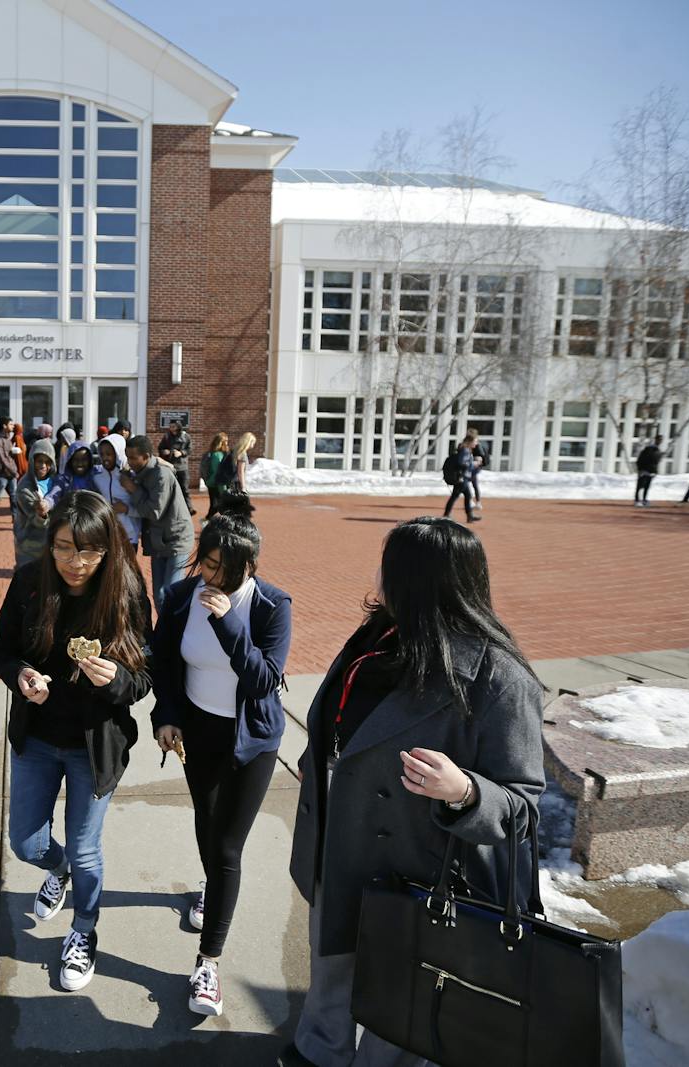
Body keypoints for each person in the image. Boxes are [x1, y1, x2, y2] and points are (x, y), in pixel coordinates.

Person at [280, 516, 544, 1067]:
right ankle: (317, 1052)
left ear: (422, 581)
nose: (377, 573)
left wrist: (465, 791)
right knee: (330, 969)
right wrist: (316, 757)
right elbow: (339, 714)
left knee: (400, 1012)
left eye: (388, 564)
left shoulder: (498, 678)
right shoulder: (380, 634)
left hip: (419, 881)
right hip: (340, 844)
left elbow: (522, 806)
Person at [0, 491, 153, 993]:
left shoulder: (125, 589)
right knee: (25, 842)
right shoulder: (28, 584)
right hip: (38, 737)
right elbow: (2, 654)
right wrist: (21, 677)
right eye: (63, 548)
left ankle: (84, 931)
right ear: (50, 541)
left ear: (107, 549)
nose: (74, 563)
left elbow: (144, 677)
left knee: (86, 851)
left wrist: (116, 682)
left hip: (94, 745)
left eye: (88, 551)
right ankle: (54, 869)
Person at [150, 496, 292, 1017]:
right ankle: (211, 892)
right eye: (205, 564)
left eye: (222, 570)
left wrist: (229, 621)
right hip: (198, 733)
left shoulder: (273, 606)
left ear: (247, 567)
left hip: (251, 740)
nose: (210, 576)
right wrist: (166, 713)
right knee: (209, 827)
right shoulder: (181, 594)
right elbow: (163, 659)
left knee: (228, 846)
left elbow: (262, 680)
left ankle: (208, 962)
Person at [121, 435, 195, 613]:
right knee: (159, 596)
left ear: (146, 456)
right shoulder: (141, 473)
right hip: (158, 541)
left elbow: (154, 511)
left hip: (177, 539)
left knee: (171, 594)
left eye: (133, 457)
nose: (129, 462)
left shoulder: (161, 475)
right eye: (127, 457)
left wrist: (133, 489)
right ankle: (164, 634)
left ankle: (175, 636)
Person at [12, 438, 57, 566]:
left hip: (50, 544)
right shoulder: (25, 487)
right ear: (32, 461)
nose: (43, 466)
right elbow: (35, 519)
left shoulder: (56, 482)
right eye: (39, 461)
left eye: (47, 462)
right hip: (29, 545)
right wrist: (42, 514)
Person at [92, 433, 140, 551]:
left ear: (119, 453)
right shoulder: (96, 477)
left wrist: (126, 509)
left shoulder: (131, 478)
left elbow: (145, 507)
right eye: (102, 454)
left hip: (129, 536)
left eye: (109, 454)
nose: (105, 458)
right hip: (106, 536)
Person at [158, 419, 196, 516]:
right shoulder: (166, 437)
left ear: (178, 426)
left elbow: (190, 449)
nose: (171, 429)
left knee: (184, 489)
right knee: (170, 488)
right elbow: (160, 448)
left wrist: (181, 453)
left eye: (173, 426)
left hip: (182, 467)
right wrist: (164, 451)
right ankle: (170, 509)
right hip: (170, 466)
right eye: (170, 426)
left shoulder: (185, 436)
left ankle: (189, 508)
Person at [443, 433, 480, 523]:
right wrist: (473, 464)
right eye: (475, 441)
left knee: (467, 495)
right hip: (461, 478)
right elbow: (461, 463)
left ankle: (469, 516)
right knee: (455, 496)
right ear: (469, 442)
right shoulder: (465, 450)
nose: (476, 444)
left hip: (462, 477)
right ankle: (446, 515)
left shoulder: (464, 449)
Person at [200, 432, 232, 518]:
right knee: (217, 505)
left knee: (215, 504)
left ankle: (209, 521)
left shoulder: (214, 453)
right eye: (226, 441)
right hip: (216, 483)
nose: (227, 443)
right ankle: (208, 521)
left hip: (212, 482)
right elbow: (217, 471)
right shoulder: (217, 455)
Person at [634, 435, 663, 507]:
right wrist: (640, 469)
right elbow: (641, 459)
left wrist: (655, 471)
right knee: (640, 485)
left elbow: (656, 462)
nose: (660, 441)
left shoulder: (658, 451)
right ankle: (637, 500)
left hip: (651, 471)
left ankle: (644, 499)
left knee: (647, 486)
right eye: (659, 439)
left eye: (661, 440)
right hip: (644, 470)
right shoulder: (649, 449)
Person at [467, 427, 490, 511]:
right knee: (471, 484)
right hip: (470, 467)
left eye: (469, 433)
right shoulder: (469, 443)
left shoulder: (477, 445)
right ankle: (473, 501)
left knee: (471, 484)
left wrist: (475, 461)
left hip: (474, 468)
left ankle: (475, 502)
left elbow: (480, 457)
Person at [230, 432, 255, 497]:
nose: (253, 444)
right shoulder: (242, 454)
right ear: (249, 442)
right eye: (253, 442)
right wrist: (243, 487)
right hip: (237, 483)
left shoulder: (235, 450)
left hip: (231, 482)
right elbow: (240, 471)